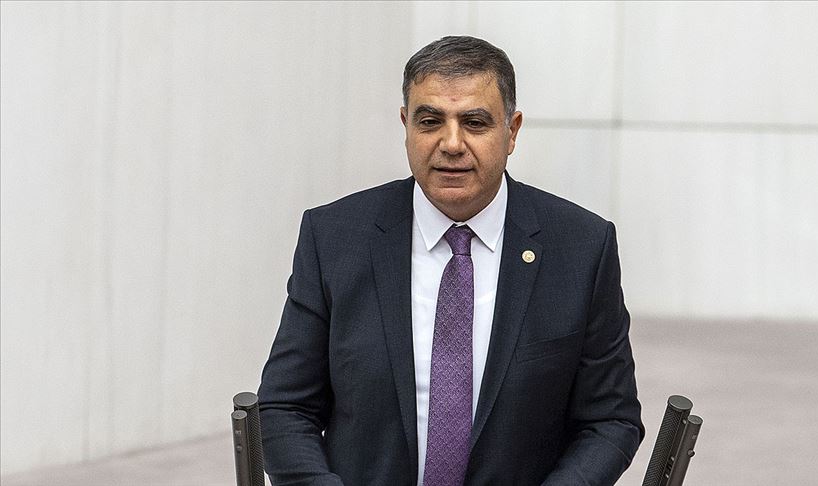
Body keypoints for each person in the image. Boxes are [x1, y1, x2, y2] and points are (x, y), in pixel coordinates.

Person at [258, 36, 643, 486]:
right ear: (405, 125)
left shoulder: (581, 247)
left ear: (512, 131)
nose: (452, 143)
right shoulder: (334, 238)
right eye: (430, 121)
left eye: (475, 123)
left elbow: (610, 420)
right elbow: (284, 408)